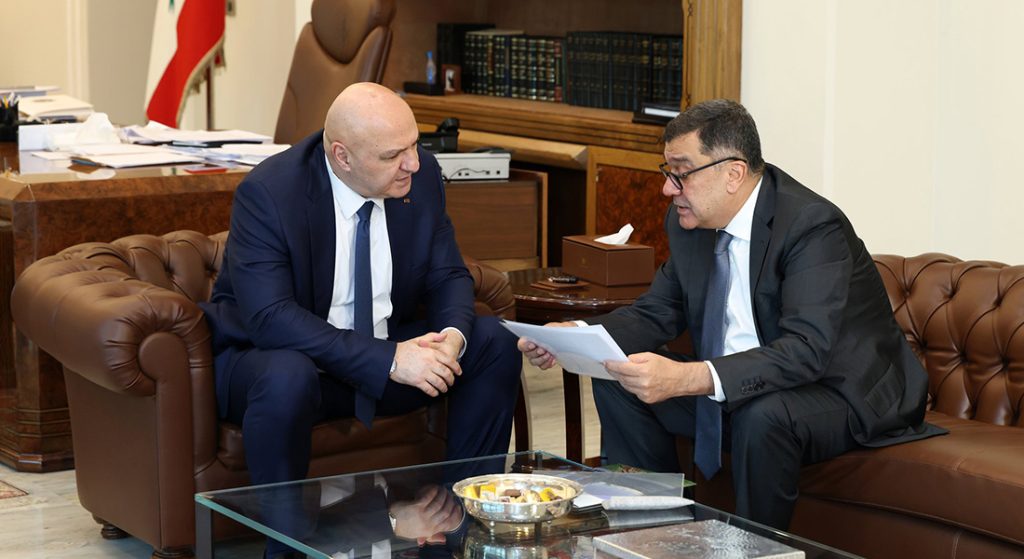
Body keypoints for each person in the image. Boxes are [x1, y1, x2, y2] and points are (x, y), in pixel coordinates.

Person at [519, 99, 944, 530]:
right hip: (746, 383)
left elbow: (806, 350)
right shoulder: (690, 222)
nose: (667, 189)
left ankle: (754, 549)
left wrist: (690, 377)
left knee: (765, 414)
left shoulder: (812, 226)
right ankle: (653, 531)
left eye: (681, 173)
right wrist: (575, 333)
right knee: (621, 379)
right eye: (667, 172)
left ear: (733, 174)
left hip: (838, 391)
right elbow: (658, 310)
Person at [201, 82, 521, 557]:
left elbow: (448, 274)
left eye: (414, 145)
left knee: (492, 341)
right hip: (283, 363)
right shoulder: (270, 192)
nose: (412, 164)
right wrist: (391, 360)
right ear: (342, 156)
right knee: (286, 373)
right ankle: (286, 549)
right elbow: (270, 318)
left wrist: (450, 339)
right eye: (393, 155)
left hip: (381, 356)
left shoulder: (420, 178)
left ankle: (457, 529)